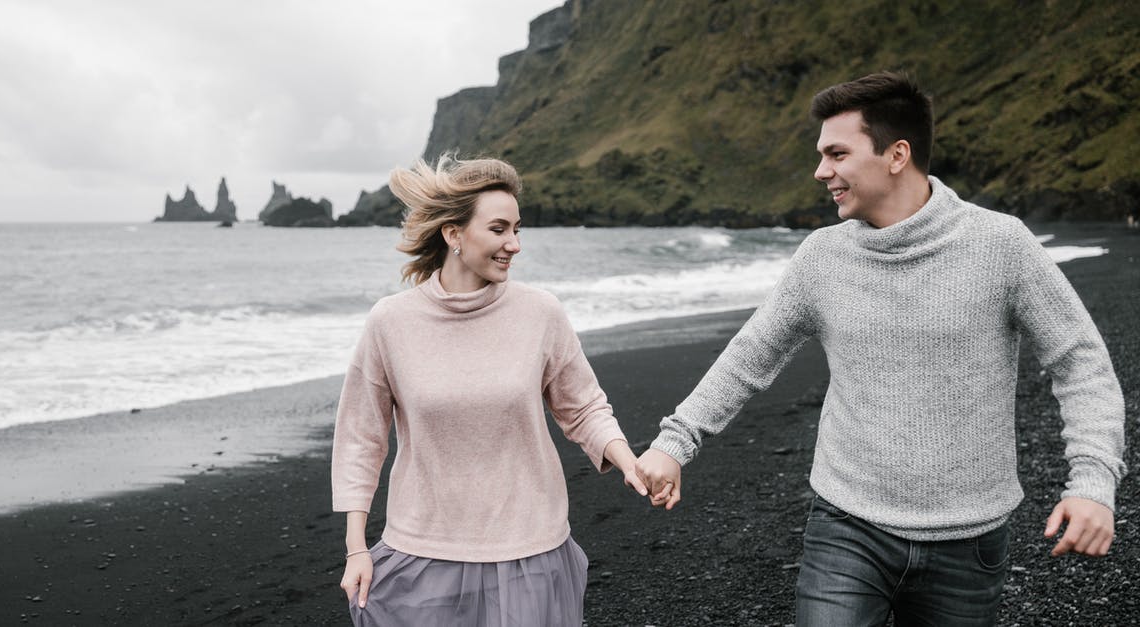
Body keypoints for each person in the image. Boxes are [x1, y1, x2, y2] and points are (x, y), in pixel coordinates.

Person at [634, 72, 1126, 625]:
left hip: (969, 541)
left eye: (837, 153)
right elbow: (751, 355)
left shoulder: (1001, 246)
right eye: (822, 155)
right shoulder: (822, 257)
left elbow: (1080, 362)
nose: (821, 171)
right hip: (847, 527)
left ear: (896, 154)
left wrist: (1093, 481)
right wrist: (675, 442)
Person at [331, 154, 646, 626]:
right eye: (499, 229)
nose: (514, 244)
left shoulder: (541, 313)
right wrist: (357, 548)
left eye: (518, 230)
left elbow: (583, 407)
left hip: (530, 546)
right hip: (424, 546)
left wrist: (628, 461)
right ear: (454, 234)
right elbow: (361, 438)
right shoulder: (390, 322)